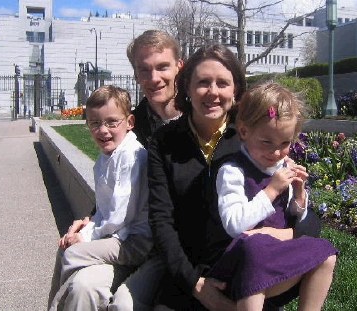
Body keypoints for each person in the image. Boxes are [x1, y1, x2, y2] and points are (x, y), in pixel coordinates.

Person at [48, 30, 184, 311]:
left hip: (169, 246)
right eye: (144, 70)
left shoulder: (198, 119)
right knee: (82, 287)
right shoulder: (132, 126)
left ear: (179, 66)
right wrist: (89, 219)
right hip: (126, 238)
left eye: (162, 67)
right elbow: (113, 186)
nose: (154, 78)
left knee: (124, 303)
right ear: (135, 74)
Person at [208, 83, 338, 311]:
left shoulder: (282, 167)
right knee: (255, 249)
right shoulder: (233, 171)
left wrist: (298, 195)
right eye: (267, 142)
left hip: (274, 254)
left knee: (325, 253)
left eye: (285, 143)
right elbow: (234, 225)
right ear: (244, 131)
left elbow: (291, 217)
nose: (276, 152)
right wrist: (271, 190)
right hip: (238, 264)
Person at [47, 85, 153, 310]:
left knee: (72, 253)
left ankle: (58, 304)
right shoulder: (105, 158)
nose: (103, 130)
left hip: (134, 243)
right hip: (116, 237)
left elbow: (119, 216)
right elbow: (103, 210)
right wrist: (86, 229)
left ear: (130, 122)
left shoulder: (132, 156)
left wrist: (86, 237)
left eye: (112, 122)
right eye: (95, 123)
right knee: (66, 248)